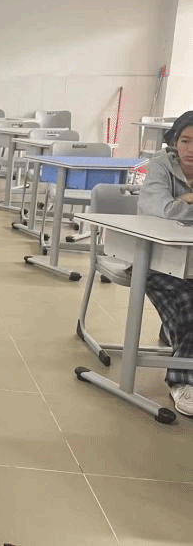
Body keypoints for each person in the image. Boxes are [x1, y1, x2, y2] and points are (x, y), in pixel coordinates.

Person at [137, 110, 193, 417]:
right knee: (189, 301)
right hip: (154, 258)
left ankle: (177, 337)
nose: (191, 149)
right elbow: (163, 209)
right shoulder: (160, 165)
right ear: (174, 142)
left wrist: (185, 200)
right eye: (185, 140)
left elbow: (174, 208)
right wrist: (178, 203)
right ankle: (182, 380)